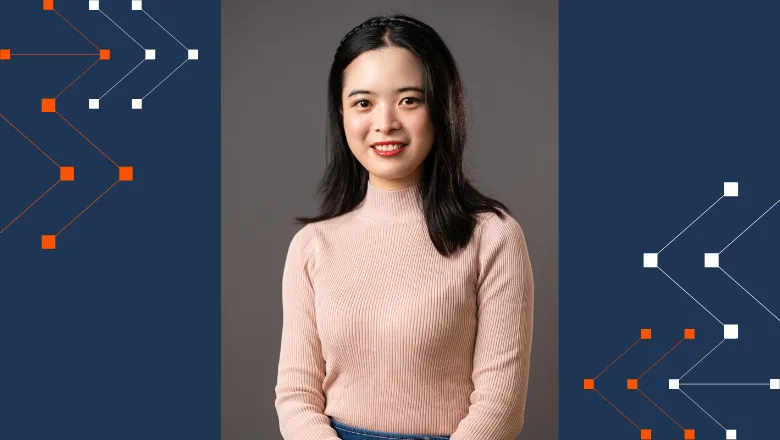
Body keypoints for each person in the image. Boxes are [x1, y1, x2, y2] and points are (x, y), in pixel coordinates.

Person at [274, 12, 534, 440]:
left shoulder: (493, 236)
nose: (385, 123)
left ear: (440, 106)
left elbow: (500, 406)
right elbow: (297, 395)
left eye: (409, 100)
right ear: (341, 113)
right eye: (363, 102)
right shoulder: (312, 246)